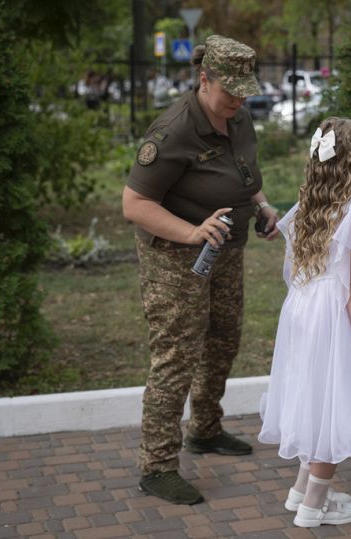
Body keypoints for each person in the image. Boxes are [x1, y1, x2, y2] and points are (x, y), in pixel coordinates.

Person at [122, 35, 279, 505]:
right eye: (229, 89)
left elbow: (244, 174)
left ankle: (206, 429)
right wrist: (191, 234)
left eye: (244, 89)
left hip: (226, 248)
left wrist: (264, 206)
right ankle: (157, 466)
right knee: (176, 356)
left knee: (224, 339)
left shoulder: (239, 116)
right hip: (175, 258)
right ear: (203, 79)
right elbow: (134, 204)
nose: (238, 98)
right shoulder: (173, 131)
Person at [258, 117, 351, 528]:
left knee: (313, 398)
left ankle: (300, 490)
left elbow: (296, 272)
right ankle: (314, 507)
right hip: (334, 315)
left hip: (302, 310)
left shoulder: (307, 207)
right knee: (334, 406)